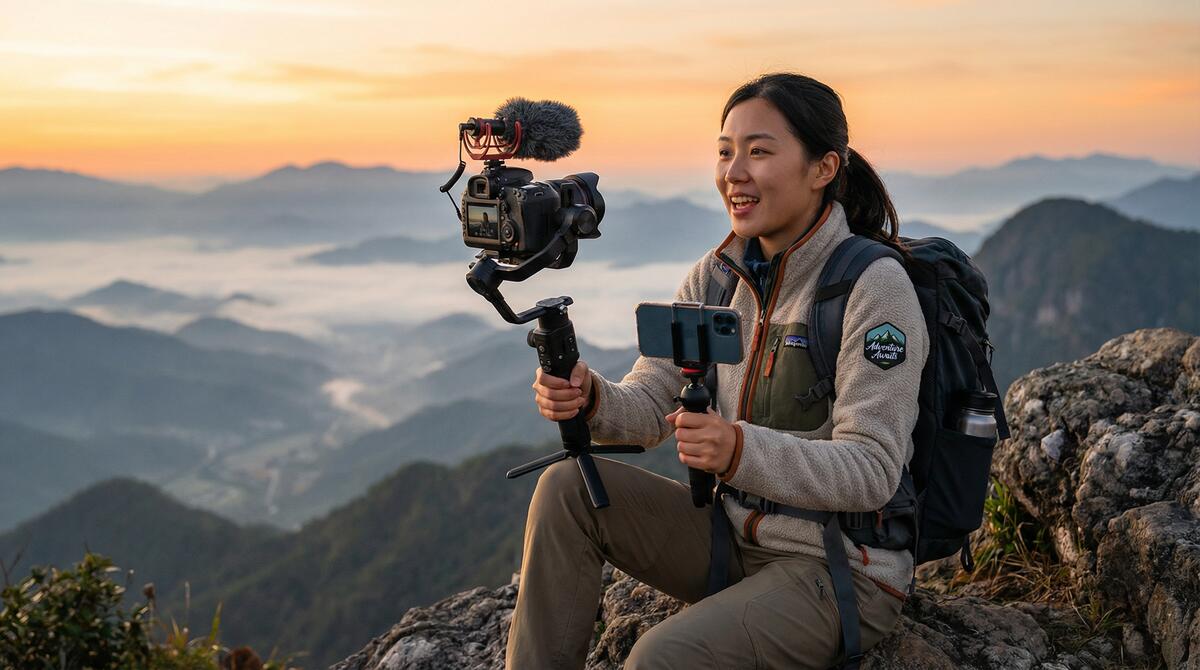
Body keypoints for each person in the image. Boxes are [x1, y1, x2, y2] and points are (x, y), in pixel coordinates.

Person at [506, 72, 929, 670]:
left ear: (823, 168)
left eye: (759, 151)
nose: (734, 172)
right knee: (567, 489)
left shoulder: (871, 288)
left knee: (660, 659)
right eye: (725, 152)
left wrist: (736, 449)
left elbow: (872, 470)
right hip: (732, 540)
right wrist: (592, 396)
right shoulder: (717, 276)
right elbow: (654, 400)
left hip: (839, 570)